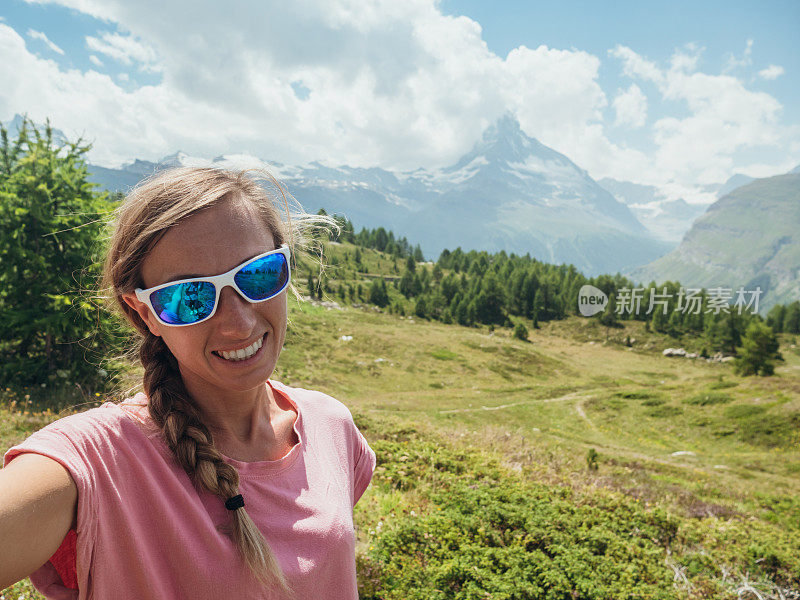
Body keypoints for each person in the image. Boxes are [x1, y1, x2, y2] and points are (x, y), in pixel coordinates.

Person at [0, 167, 377, 599]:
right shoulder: (98, 462)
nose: (239, 323)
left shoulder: (331, 426)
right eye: (190, 297)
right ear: (144, 314)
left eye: (259, 275)